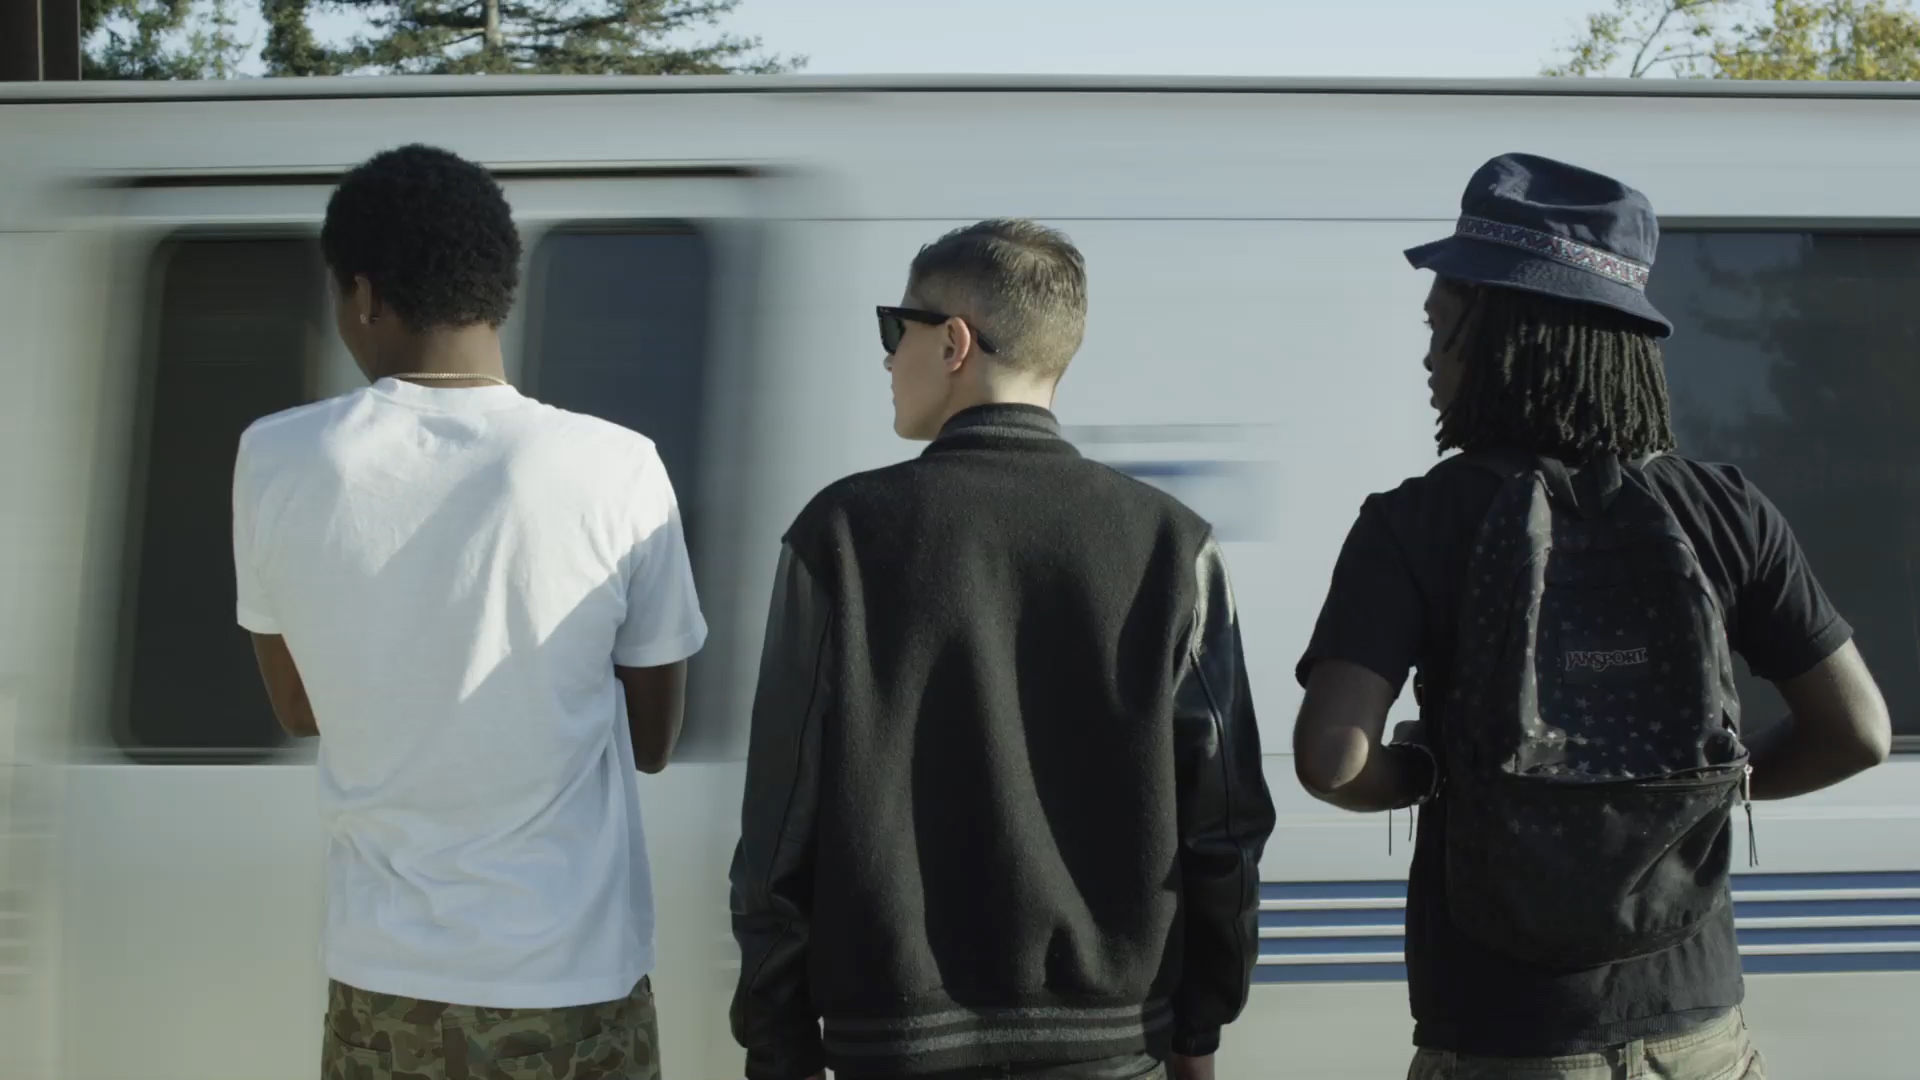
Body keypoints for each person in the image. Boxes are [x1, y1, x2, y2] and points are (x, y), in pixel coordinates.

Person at [1292, 152, 1894, 1080]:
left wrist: (1426, 770)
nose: (1427, 355)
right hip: (1693, 1028)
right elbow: (1857, 732)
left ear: (1498, 334)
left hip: (1501, 1034)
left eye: (1441, 326)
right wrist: (1697, 789)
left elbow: (1332, 761)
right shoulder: (1726, 509)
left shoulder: (1414, 521)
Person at [728, 219, 1276, 1080]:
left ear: (952, 342)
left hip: (893, 1047)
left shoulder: (840, 535)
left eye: (893, 329)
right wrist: (1196, 1030)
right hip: (1113, 1049)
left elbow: (780, 828)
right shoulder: (1171, 545)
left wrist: (779, 1047)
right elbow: (1225, 824)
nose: (884, 358)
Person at [231, 144, 705, 1080]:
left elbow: (300, 706)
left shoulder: (277, 458)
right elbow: (654, 737)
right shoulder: (617, 465)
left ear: (362, 296)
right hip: (577, 982)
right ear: (500, 293)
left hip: (384, 984)